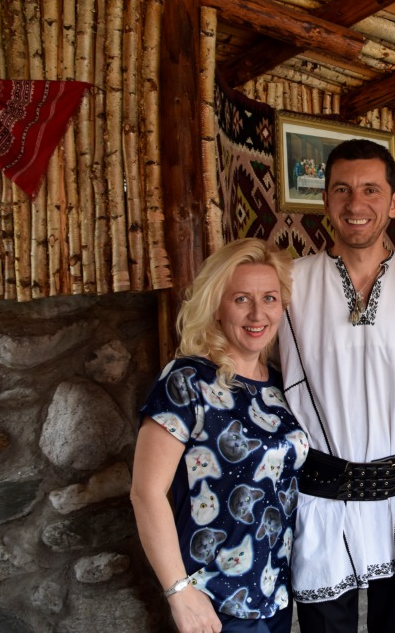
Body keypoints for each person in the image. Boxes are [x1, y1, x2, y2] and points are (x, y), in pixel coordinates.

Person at [278, 139, 395, 633]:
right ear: (325, 201)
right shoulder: (288, 283)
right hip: (320, 501)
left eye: (370, 190)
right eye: (341, 190)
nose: (355, 203)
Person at [130, 238, 306, 633]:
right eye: (241, 299)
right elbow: (146, 492)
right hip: (213, 601)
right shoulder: (186, 380)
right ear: (216, 305)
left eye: (269, 298)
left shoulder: (282, 385)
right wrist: (179, 592)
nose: (258, 313)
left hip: (276, 596)